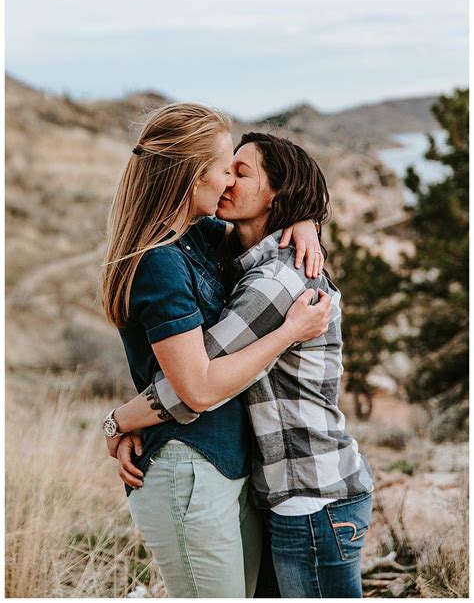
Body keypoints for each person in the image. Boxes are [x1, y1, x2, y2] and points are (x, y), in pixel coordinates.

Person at [111, 131, 375, 599]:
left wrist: (121, 420)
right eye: (226, 168)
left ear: (277, 195)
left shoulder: (276, 282)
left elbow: (195, 382)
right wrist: (308, 219)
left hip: (311, 496)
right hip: (288, 494)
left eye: (242, 171)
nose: (227, 179)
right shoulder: (232, 254)